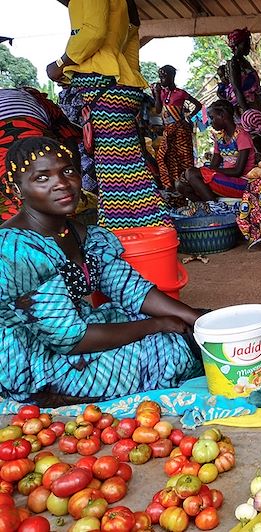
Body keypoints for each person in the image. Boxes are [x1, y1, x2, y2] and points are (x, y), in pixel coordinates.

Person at [0, 137, 202, 406]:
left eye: (67, 171)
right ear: (17, 190)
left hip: (73, 332)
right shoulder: (15, 250)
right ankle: (49, 398)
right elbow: (70, 339)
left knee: (187, 326)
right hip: (36, 365)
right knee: (169, 349)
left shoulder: (82, 234)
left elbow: (130, 288)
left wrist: (194, 318)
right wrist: (159, 325)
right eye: (42, 178)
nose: (61, 183)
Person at [46, 0, 172, 231]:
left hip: (102, 86)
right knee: (125, 167)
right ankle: (144, 231)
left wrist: (60, 63)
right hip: (118, 85)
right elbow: (133, 31)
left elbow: (94, 33)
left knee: (115, 173)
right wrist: (129, 75)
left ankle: (129, 233)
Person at [0, 87, 82, 222]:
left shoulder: (33, 99)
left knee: (12, 205)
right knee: (56, 203)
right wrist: (73, 177)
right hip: (31, 134)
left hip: (24, 139)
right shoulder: (33, 97)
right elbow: (69, 140)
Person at [180, 100, 255, 201]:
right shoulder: (219, 138)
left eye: (212, 117)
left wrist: (208, 171)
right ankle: (205, 208)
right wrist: (206, 171)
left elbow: (238, 171)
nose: (210, 122)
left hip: (243, 183)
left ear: (223, 115)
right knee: (180, 184)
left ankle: (214, 207)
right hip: (226, 179)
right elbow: (213, 166)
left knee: (192, 173)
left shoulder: (242, 136)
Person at [152, 65, 201, 191]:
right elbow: (158, 110)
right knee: (164, 156)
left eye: (163, 76)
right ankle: (169, 185)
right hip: (168, 130)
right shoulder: (161, 93)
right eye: (160, 77)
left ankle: (187, 184)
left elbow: (198, 105)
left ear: (171, 76)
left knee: (184, 157)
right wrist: (157, 94)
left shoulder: (181, 93)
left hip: (180, 129)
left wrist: (189, 117)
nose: (161, 80)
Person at [225, 28, 261, 154]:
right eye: (245, 43)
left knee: (260, 138)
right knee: (252, 140)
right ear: (236, 45)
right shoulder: (234, 63)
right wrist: (246, 111)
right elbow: (237, 88)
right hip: (244, 106)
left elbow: (253, 86)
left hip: (255, 104)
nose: (248, 46)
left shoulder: (245, 62)